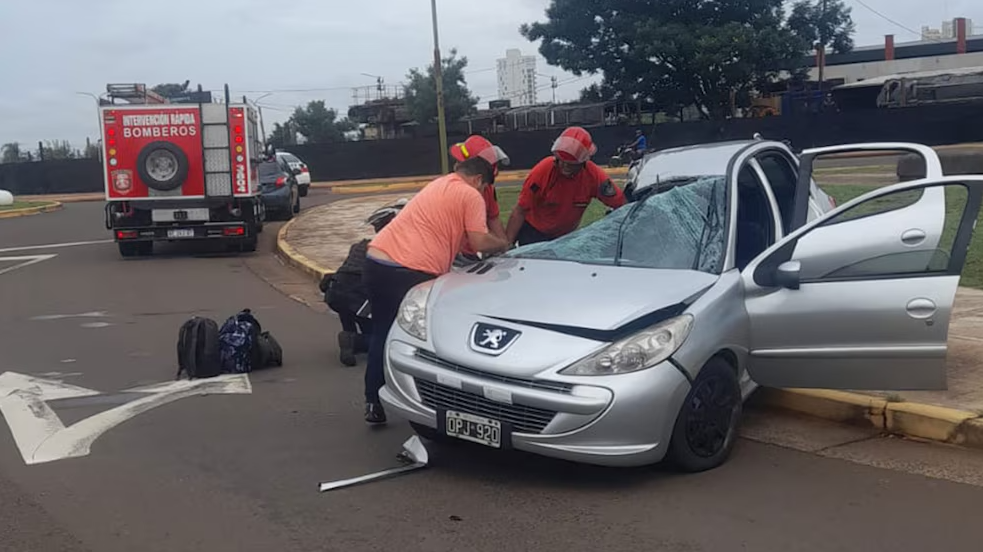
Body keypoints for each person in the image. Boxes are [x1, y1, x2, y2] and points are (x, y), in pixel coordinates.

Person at [361, 144, 511, 424]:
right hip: (409, 271)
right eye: (484, 187)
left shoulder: (439, 185)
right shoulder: (470, 195)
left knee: (382, 333)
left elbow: (455, 234)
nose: (482, 193)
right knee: (426, 340)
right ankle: (426, 406)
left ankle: (373, 401)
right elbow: (479, 242)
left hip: (376, 261)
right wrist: (502, 243)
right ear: (479, 180)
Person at [505, 126, 628, 247]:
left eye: (571, 164)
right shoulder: (543, 170)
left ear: (584, 161)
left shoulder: (594, 175)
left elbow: (621, 203)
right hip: (534, 234)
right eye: (561, 161)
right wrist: (508, 244)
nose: (565, 167)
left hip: (565, 238)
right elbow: (520, 210)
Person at [320, 199, 407, 367]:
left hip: (336, 291)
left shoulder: (359, 245)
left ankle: (349, 338)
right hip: (359, 296)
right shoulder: (390, 250)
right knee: (377, 339)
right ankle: (354, 341)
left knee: (349, 311)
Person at [451, 136, 510, 261]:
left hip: (473, 253)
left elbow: (493, 218)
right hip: (453, 254)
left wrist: (506, 249)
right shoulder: (454, 193)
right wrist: (501, 244)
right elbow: (479, 242)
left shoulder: (488, 189)